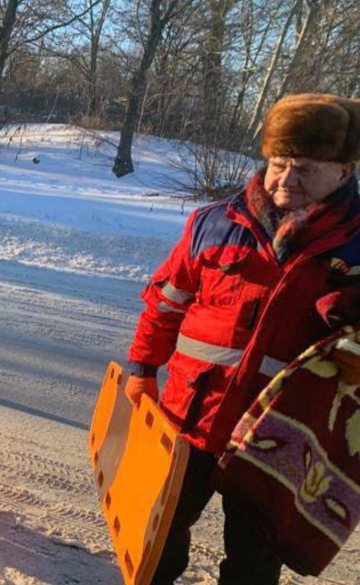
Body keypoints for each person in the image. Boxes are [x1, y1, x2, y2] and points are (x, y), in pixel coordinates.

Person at [126, 93, 360, 584]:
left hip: (277, 441)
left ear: (344, 171)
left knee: (253, 565)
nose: (286, 181)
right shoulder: (214, 223)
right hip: (190, 418)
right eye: (278, 164)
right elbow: (166, 302)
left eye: (306, 169)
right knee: (155, 537)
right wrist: (143, 369)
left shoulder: (355, 246)